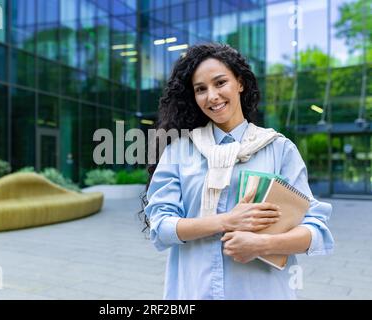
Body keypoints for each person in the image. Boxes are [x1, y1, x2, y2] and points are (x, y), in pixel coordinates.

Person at [142, 43, 334, 300]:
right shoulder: (179, 152)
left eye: (220, 83)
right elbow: (161, 227)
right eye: (201, 89)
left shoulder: (278, 149)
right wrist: (225, 221)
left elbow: (314, 228)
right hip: (195, 291)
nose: (212, 96)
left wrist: (262, 244)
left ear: (240, 83)